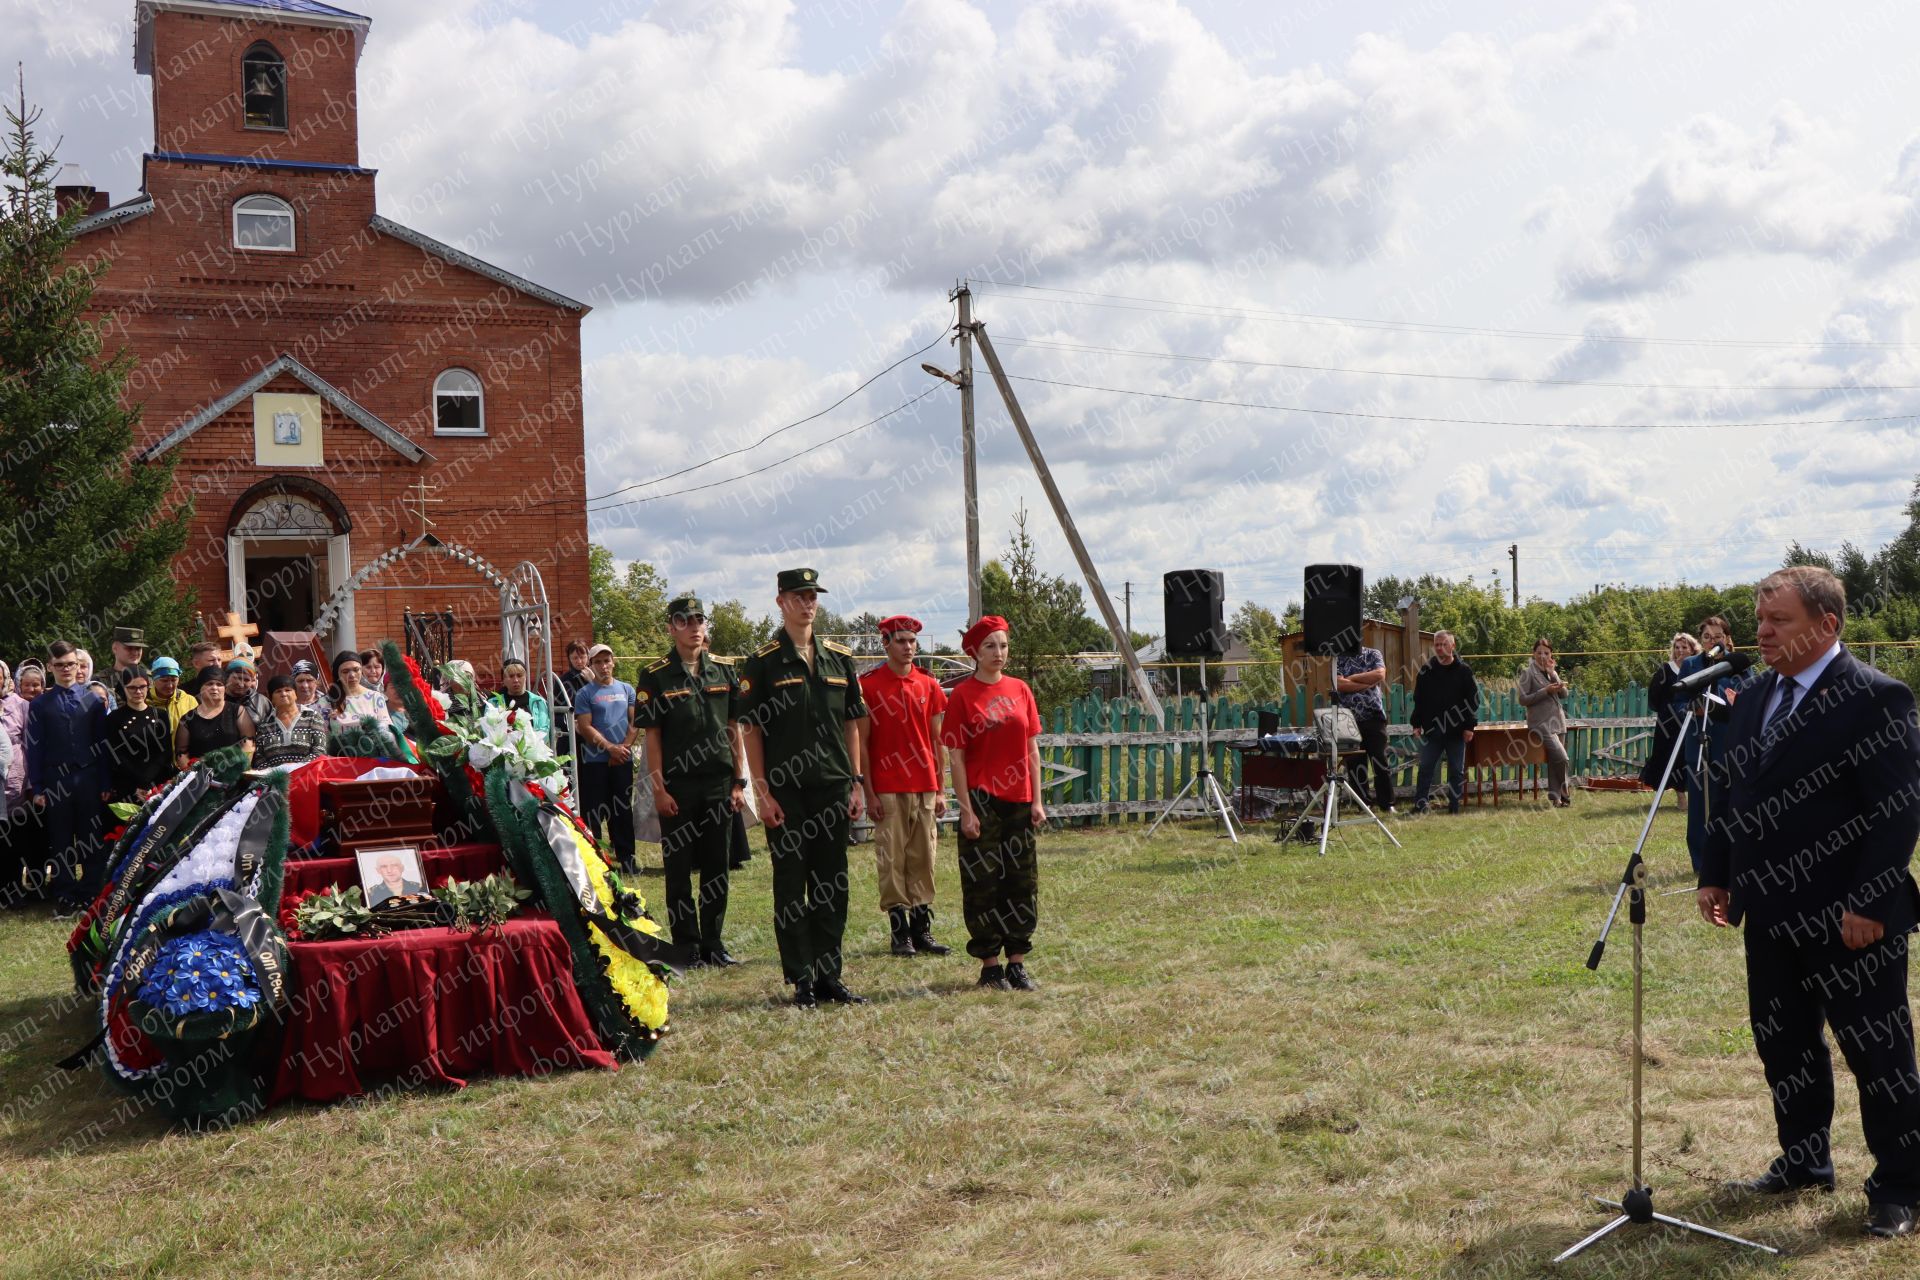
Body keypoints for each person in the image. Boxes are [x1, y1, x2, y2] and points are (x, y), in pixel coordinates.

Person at [1698, 566, 1920, 1239]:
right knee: (1784, 1043)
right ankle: (1803, 1162)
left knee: (1877, 1052)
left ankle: (1901, 1186)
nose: (1762, 633)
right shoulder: (1756, 696)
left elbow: (1897, 809)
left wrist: (1872, 902)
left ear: (1827, 625)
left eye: (1779, 621)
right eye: (1760, 620)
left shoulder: (1877, 698)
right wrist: (1717, 871)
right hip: (1769, 911)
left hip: (1851, 918)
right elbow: (1733, 792)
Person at [739, 567, 869, 1007]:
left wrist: (856, 783)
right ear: (780, 602)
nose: (807, 603)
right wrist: (762, 791)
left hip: (833, 786)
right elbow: (751, 728)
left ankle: (830, 973)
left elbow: (852, 723)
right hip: (786, 792)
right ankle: (802, 978)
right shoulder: (763, 661)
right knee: (791, 885)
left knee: (832, 883)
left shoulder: (839, 657)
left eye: (812, 595)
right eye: (797, 596)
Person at [637, 596, 745, 968]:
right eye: (684, 620)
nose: (694, 626)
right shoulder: (655, 675)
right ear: (671, 627)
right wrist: (659, 789)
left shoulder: (724, 671)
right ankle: (687, 946)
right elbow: (651, 737)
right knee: (679, 870)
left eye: (699, 619)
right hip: (678, 789)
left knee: (718, 867)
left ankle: (714, 943)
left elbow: (734, 730)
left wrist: (738, 782)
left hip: (718, 784)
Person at [943, 616, 1046, 992]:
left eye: (1003, 645)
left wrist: (1037, 799)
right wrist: (966, 809)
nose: (998, 653)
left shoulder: (1021, 689)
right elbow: (955, 758)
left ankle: (1016, 962)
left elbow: (1032, 748)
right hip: (982, 801)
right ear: (974, 651)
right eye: (989, 646)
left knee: (1022, 882)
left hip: (1019, 800)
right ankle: (989, 965)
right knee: (982, 882)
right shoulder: (964, 697)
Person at [859, 614, 953, 957]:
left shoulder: (929, 685)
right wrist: (868, 791)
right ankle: (900, 934)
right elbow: (863, 746)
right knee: (891, 859)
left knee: (924, 858)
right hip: (886, 786)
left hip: (924, 785)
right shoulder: (868, 685)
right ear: (885, 643)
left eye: (912, 641)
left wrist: (941, 789)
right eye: (900, 640)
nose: (908, 647)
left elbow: (937, 740)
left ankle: (922, 930)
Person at [25, 641, 108, 913]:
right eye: (59, 665)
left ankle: (90, 893)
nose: (65, 669)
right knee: (60, 839)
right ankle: (65, 895)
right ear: (50, 667)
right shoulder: (39, 704)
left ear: (78, 665)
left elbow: (103, 745)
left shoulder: (93, 700)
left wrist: (104, 782)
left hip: (88, 777)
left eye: (70, 664)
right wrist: (37, 786)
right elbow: (34, 748)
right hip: (55, 780)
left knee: (90, 839)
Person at [1678, 617, 1745, 876]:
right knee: (1699, 800)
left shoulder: (1737, 663)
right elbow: (1678, 700)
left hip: (1729, 738)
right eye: (1707, 637)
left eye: (1718, 637)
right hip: (1698, 736)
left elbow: (1748, 694)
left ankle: (1728, 856)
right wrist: (1690, 707)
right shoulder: (1692, 664)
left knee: (1726, 799)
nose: (1712, 641)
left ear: (1727, 639)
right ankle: (1700, 860)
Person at [572, 643, 639, 874]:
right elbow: (585, 726)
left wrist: (623, 749)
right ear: (591, 665)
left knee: (622, 809)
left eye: (607, 661)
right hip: (595, 762)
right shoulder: (584, 693)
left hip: (622, 760)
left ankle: (627, 858)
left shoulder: (627, 689)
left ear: (613, 662)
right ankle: (597, 860)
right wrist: (610, 748)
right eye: (598, 662)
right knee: (594, 811)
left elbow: (634, 722)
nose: (603, 666)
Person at [1408, 630, 1478, 815]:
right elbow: (1419, 699)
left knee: (1456, 770)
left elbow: (1472, 701)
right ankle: (1420, 805)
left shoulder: (1464, 671)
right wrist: (1416, 724)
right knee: (1425, 768)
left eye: (1444, 644)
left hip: (1457, 730)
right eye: (1437, 644)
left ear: (1453, 646)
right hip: (1433, 730)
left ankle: (1454, 806)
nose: (1440, 648)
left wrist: (1469, 726)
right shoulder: (1426, 671)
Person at [1333, 640, 1396, 813]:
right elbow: (1339, 684)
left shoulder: (1373, 654)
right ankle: (1363, 804)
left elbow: (1380, 675)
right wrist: (1366, 682)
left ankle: (1387, 804)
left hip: (1373, 717)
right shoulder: (1338, 659)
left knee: (1380, 761)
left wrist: (1351, 678)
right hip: (1349, 720)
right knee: (1355, 763)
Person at [101, 666, 174, 804]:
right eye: (132, 688)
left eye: (142, 686)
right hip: (128, 787)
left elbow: (165, 751)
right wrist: (139, 783)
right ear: (124, 688)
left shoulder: (161, 715)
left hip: (158, 784)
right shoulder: (113, 719)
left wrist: (148, 782)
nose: (138, 691)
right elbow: (117, 755)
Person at [1515, 637, 1572, 807]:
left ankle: (1556, 799)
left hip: (1558, 721)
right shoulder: (1527, 672)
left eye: (1546, 653)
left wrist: (1554, 674)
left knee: (1556, 761)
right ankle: (1565, 792)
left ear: (1551, 654)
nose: (1542, 655)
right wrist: (1545, 691)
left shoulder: (1551, 671)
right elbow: (1523, 699)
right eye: (1539, 652)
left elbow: (1564, 695)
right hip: (1540, 723)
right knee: (1562, 758)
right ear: (1533, 654)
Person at [1641, 632, 1699, 792]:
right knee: (1668, 757)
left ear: (1692, 649)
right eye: (1677, 647)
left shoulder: (1697, 668)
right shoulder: (1666, 669)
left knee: (1685, 757)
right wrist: (1667, 708)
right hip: (1669, 723)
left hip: (1690, 719)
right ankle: (1679, 794)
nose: (1680, 650)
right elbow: (1654, 694)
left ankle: (1686, 791)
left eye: (1684, 647)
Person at [176, 665, 255, 767]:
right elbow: (181, 752)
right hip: (201, 778)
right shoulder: (188, 719)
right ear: (200, 688)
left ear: (225, 688)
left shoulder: (238, 711)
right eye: (209, 684)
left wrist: (240, 768)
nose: (214, 688)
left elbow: (249, 741)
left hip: (233, 775)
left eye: (219, 684)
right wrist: (193, 774)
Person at [254, 674, 328, 769]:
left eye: (288, 690)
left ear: (296, 694)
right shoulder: (264, 725)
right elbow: (259, 758)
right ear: (271, 697)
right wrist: (277, 774)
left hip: (307, 776)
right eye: (278, 691)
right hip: (274, 780)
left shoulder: (312, 717)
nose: (283, 694)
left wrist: (295, 768)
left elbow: (319, 751)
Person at [490, 658, 553, 737]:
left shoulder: (538, 702)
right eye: (511, 676)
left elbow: (544, 732)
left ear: (525, 677)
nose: (516, 680)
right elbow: (489, 731)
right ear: (504, 680)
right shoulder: (493, 703)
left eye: (519, 675)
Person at [328, 650, 388, 726]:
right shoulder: (327, 701)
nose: (352, 675)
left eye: (356, 670)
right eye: (345, 671)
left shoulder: (376, 697)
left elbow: (387, 729)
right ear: (337, 674)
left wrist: (351, 719)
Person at [556, 638, 592, 759]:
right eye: (575, 658)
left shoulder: (595, 677)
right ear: (569, 659)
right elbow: (555, 709)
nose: (579, 661)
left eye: (582, 657)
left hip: (594, 733)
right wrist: (571, 724)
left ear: (588, 656)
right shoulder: (562, 681)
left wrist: (593, 681)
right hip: (571, 736)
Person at [149, 656, 197, 734]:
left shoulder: (189, 701)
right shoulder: (144, 702)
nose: (170, 685)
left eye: (174, 680)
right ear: (154, 679)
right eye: (164, 681)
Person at [225, 658, 270, 722]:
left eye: (246, 680)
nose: (241, 684)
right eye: (238, 678)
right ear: (227, 677)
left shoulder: (261, 701)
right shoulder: (215, 699)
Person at [109, 625, 146, 696]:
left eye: (138, 648)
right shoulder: (99, 680)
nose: (135, 653)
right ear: (115, 648)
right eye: (129, 648)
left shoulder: (150, 680)